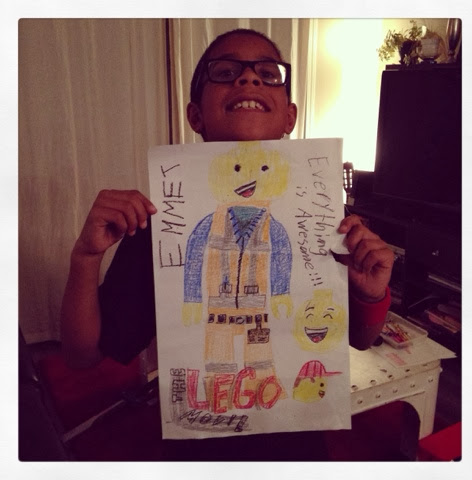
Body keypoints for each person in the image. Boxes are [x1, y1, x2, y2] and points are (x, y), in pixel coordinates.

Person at [60, 28, 394, 460]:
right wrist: (85, 257)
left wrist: (371, 294)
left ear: (290, 116)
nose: (248, 78)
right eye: (225, 71)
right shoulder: (163, 223)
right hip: (197, 445)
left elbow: (360, 340)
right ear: (195, 115)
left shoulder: (323, 216)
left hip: (297, 445)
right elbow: (82, 355)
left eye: (267, 73)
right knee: (218, 356)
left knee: (260, 355)